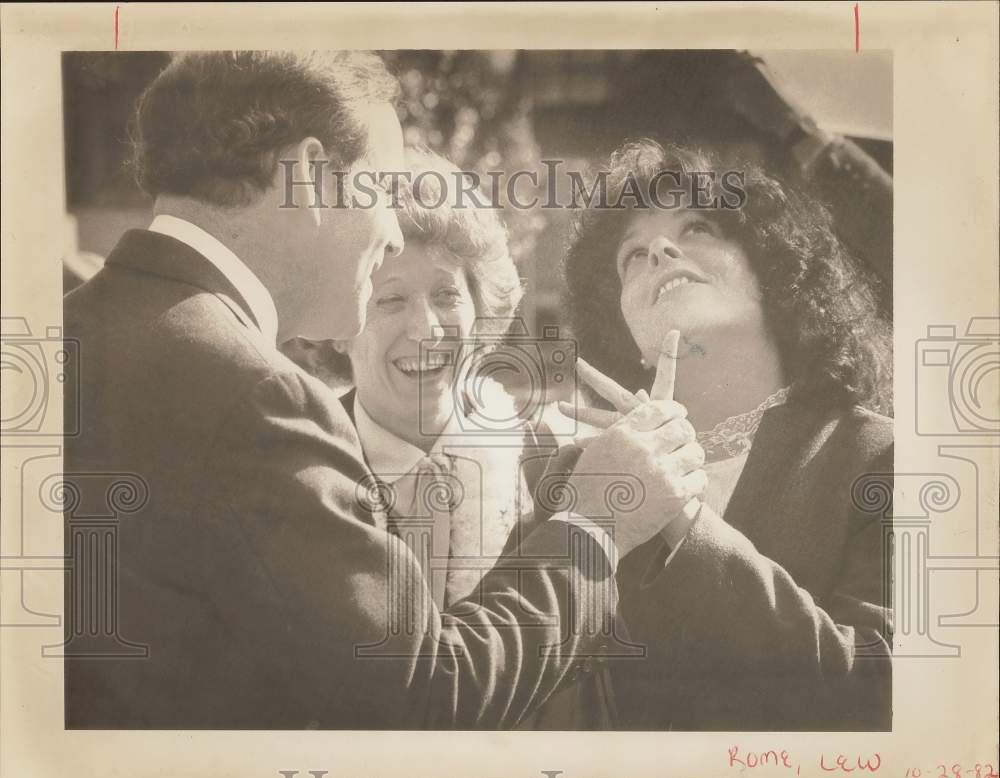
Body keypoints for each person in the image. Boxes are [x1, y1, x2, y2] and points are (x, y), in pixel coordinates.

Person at [62, 52, 704, 730]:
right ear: (310, 175)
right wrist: (599, 519)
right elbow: (423, 690)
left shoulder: (63, 334)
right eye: (382, 187)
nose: (392, 231)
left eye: (446, 295)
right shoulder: (260, 394)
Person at [562, 139, 893, 731]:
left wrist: (682, 516)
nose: (658, 249)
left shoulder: (887, 456)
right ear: (626, 334)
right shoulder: (570, 479)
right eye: (631, 257)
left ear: (775, 274)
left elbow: (877, 693)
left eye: (698, 228)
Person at [284, 147, 619, 728]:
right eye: (389, 299)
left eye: (446, 295)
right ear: (340, 326)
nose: (427, 328)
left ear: (481, 310)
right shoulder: (296, 469)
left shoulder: (556, 465)